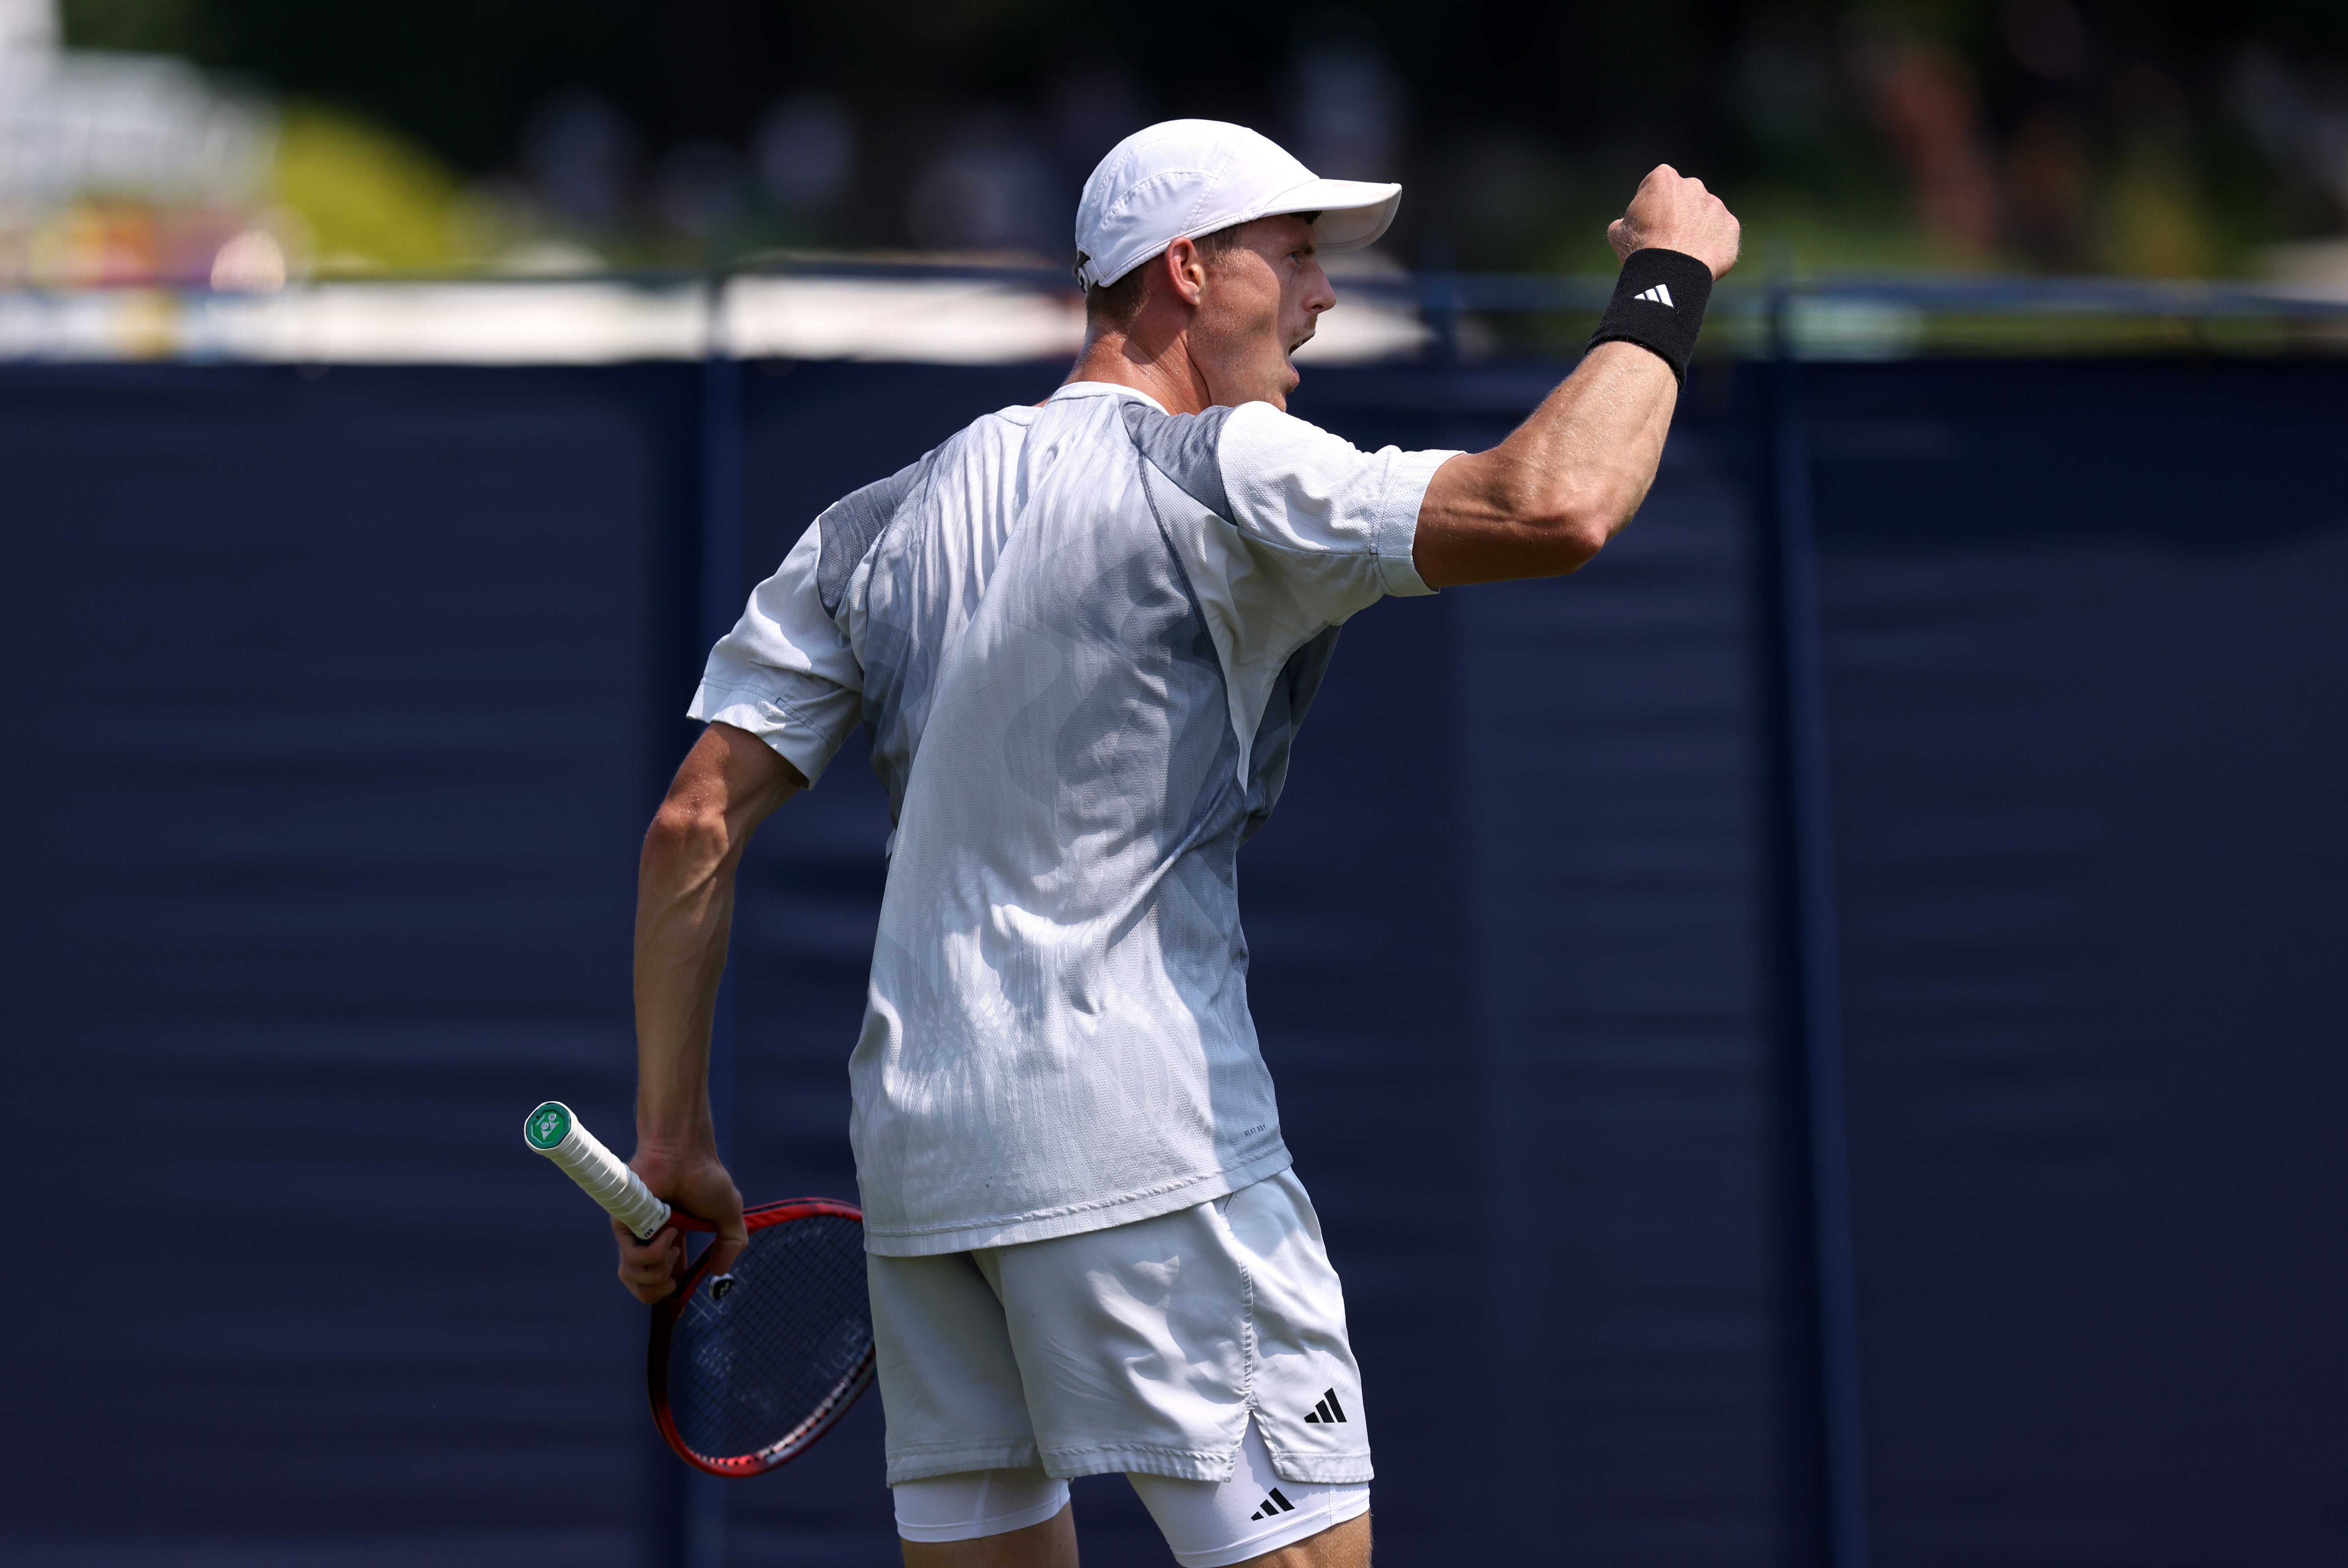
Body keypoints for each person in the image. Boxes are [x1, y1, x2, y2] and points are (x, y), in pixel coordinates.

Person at [614, 119, 1739, 1567]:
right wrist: (1664, 278)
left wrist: (671, 1135)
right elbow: (1553, 503)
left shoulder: (872, 525)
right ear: (1188, 270)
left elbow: (690, 821)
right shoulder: (1228, 466)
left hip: (925, 1171)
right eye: (1297, 256)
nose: (1321, 298)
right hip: (1145, 1151)